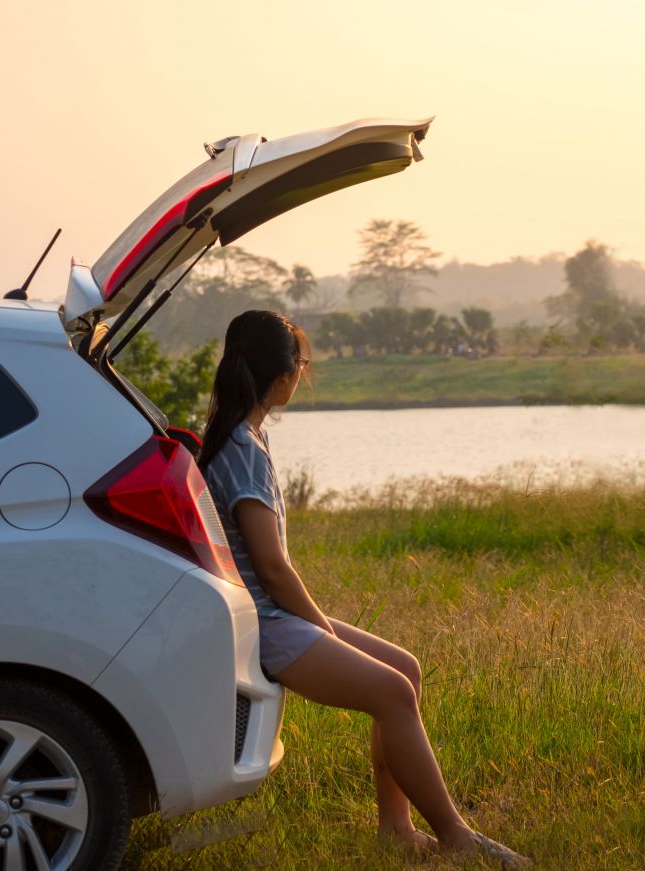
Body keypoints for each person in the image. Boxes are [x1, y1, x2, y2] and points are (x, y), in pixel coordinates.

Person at [198, 310, 528, 867]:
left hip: (268, 614)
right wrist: (322, 628)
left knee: (406, 670)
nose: (303, 373)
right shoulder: (243, 450)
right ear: (282, 378)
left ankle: (396, 831)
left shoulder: (242, 436)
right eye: (302, 363)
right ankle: (456, 835)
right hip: (262, 623)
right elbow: (273, 569)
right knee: (393, 693)